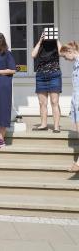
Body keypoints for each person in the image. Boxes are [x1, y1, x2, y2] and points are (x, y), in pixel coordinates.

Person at [31, 32, 62, 133]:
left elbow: (61, 53)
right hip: (41, 76)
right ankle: (43, 124)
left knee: (54, 102)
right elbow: (33, 54)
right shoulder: (40, 45)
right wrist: (40, 41)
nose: (48, 37)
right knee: (42, 103)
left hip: (54, 75)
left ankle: (56, 126)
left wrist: (56, 39)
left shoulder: (56, 45)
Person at [60, 41, 79, 172]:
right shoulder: (75, 66)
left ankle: (78, 164)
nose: (65, 59)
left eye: (65, 56)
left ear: (70, 52)